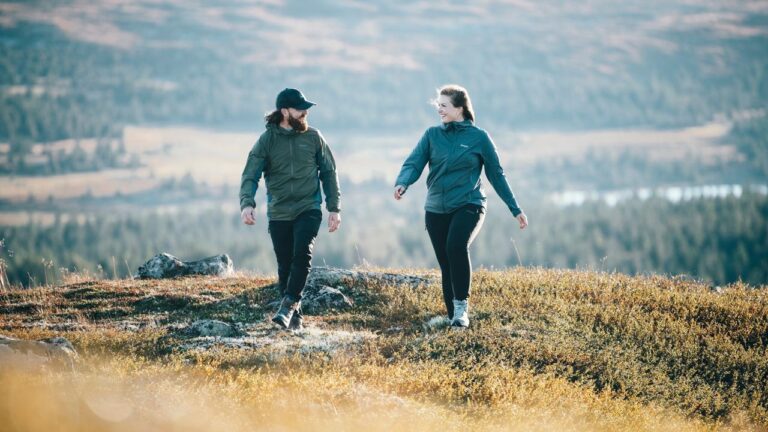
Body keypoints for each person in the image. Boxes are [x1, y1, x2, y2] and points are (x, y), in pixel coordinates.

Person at [394, 84, 528, 328]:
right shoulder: (432, 135)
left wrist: (515, 208)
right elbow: (414, 163)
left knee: (456, 246)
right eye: (438, 106)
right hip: (435, 208)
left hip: (469, 203)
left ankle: (461, 310)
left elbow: (496, 174)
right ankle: (452, 318)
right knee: (446, 262)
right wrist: (403, 183)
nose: (439, 110)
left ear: (460, 108)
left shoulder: (479, 138)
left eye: (444, 106)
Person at [240, 88, 341, 330]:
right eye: (300, 109)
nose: (305, 112)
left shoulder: (314, 137)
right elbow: (250, 174)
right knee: (285, 264)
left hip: (309, 207)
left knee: (302, 255)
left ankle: (286, 306)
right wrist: (247, 203)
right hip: (279, 211)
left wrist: (334, 208)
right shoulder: (267, 140)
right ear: (285, 112)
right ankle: (295, 319)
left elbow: (329, 172)